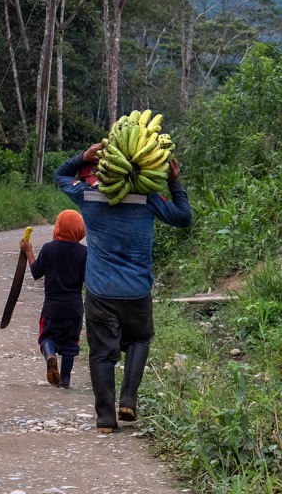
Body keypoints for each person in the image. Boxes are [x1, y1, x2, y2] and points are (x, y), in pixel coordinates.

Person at [55, 142, 192, 434]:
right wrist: (174, 182)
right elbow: (184, 218)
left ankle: (105, 417)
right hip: (137, 290)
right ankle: (128, 398)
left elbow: (60, 176)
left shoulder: (88, 195)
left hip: (99, 291)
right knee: (139, 340)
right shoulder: (148, 198)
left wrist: (82, 156)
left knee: (101, 352)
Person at [19, 209, 87, 389]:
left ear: (57, 228)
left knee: (47, 337)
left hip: (52, 308)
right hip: (74, 309)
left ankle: (50, 356)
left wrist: (29, 251)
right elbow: (88, 280)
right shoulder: (84, 253)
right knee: (70, 345)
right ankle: (65, 381)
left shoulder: (49, 248)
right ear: (80, 230)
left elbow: (35, 272)